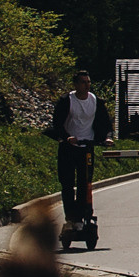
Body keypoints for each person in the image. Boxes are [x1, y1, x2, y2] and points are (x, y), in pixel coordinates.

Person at [47, 69, 113, 224]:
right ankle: (70, 216)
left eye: (88, 82)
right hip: (69, 147)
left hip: (87, 147)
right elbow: (57, 123)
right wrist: (66, 137)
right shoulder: (67, 101)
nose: (87, 85)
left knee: (85, 183)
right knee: (68, 183)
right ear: (76, 84)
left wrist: (107, 138)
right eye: (83, 82)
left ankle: (82, 213)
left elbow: (106, 123)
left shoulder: (96, 101)